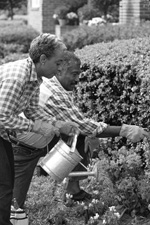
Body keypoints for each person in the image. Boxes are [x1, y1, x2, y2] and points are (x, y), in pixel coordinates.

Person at [11, 51, 150, 209]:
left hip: (38, 138)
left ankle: (73, 190)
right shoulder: (52, 93)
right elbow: (83, 125)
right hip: (21, 148)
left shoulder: (57, 86)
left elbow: (77, 123)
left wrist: (92, 133)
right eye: (74, 74)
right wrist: (124, 130)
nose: (78, 79)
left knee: (80, 136)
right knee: (14, 206)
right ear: (59, 70)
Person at [0, 34, 79, 225]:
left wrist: (57, 125)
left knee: (6, 183)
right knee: (3, 186)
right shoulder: (17, 77)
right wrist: (36, 127)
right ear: (43, 59)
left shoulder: (35, 77)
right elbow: (2, 117)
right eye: (58, 62)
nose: (60, 67)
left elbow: (32, 110)